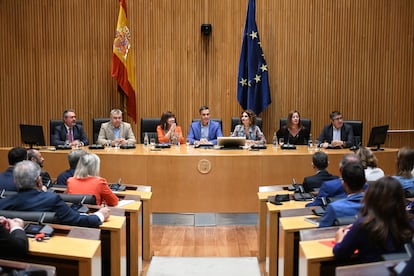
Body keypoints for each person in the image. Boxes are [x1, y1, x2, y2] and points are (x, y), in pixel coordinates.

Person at [0, 161, 109, 228]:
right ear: (38, 180)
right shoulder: (51, 199)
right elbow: (76, 220)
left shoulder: (3, 202)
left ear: (15, 181)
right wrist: (99, 215)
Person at [333, 176, 414, 262]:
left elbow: (340, 253)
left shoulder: (364, 225)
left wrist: (340, 238)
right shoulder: (409, 224)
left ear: (372, 196)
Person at [318, 162, 365, 227]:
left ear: (343, 184)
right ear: (365, 181)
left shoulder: (333, 208)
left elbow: (320, 233)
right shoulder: (377, 206)